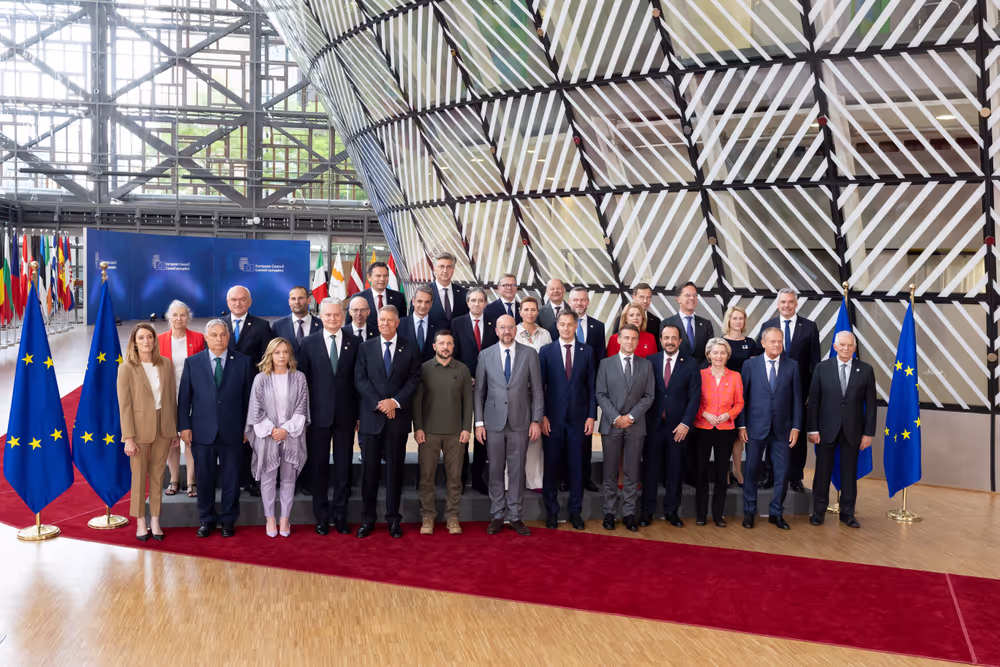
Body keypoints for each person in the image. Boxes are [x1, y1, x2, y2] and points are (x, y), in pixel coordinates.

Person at [178, 319, 252, 538]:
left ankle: (228, 520)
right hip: (202, 431)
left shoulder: (244, 362)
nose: (219, 339)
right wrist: (184, 426)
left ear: (228, 337)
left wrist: (248, 428)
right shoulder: (192, 362)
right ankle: (206, 519)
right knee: (205, 478)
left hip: (234, 432)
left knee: (231, 479)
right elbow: (184, 398)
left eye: (223, 334)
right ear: (206, 338)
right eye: (214, 335)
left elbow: (249, 399)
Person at [355, 305, 422, 538]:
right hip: (372, 419)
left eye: (389, 320)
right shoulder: (365, 347)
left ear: (397, 323)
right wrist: (381, 403)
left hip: (397, 419)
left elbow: (415, 379)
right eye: (381, 319)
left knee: (395, 471)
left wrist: (395, 401)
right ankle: (368, 520)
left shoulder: (410, 348)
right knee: (369, 472)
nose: (385, 323)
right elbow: (360, 379)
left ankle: (394, 519)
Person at [474, 314, 544, 536]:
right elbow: (480, 391)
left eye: (510, 327)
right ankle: (497, 514)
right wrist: (479, 423)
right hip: (493, 423)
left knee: (516, 471)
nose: (506, 331)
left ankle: (515, 515)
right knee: (495, 470)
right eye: (502, 327)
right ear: (496, 330)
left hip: (520, 422)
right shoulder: (485, 355)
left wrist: (536, 420)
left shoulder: (530, 354)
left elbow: (538, 390)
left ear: (516, 330)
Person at [296, 297, 361, 536]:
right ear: (320, 316)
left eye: (336, 315)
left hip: (346, 416)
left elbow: (358, 382)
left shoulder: (355, 342)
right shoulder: (308, 343)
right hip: (317, 417)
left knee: (344, 467)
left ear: (343, 316)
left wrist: (359, 415)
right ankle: (322, 517)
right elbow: (302, 383)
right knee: (319, 467)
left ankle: (340, 515)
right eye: (328, 315)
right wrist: (303, 416)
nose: (333, 319)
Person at [806, 331, 877, 529]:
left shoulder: (866, 370)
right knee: (822, 473)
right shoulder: (822, 368)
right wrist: (812, 429)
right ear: (835, 346)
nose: (846, 348)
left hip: (853, 431)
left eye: (850, 345)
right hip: (825, 430)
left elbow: (871, 405)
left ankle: (848, 514)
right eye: (842, 345)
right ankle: (818, 512)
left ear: (854, 348)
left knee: (849, 473)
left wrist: (868, 433)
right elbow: (814, 403)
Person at [118, 323, 179, 541]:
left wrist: (174, 431)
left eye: (150, 337)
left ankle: (155, 519)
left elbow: (171, 399)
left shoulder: (165, 364)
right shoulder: (126, 368)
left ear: (155, 340)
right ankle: (140, 521)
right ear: (134, 342)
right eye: (141, 338)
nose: (146, 342)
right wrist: (129, 438)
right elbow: (124, 406)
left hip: (163, 428)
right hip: (139, 431)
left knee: (157, 476)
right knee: (138, 478)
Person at [757, 289, 821, 494]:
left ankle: (795, 477)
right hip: (773, 389)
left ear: (796, 304)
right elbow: (761, 360)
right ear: (778, 304)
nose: (786, 305)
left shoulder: (809, 327)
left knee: (797, 435)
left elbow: (815, 362)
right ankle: (770, 475)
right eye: (783, 302)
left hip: (800, 391)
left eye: (790, 302)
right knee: (772, 430)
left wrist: (813, 391)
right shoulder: (768, 326)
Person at [737, 327, 802, 530]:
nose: (776, 345)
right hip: (755, 428)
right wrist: (742, 425)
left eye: (779, 341)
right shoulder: (749, 365)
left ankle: (776, 513)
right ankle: (749, 512)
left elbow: (797, 400)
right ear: (763, 343)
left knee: (782, 473)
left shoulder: (793, 366)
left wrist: (796, 427)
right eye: (772, 341)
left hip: (783, 430)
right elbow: (742, 398)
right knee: (751, 471)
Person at [245, 338, 309, 538]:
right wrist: (273, 430)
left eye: (285, 352)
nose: (282, 356)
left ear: (290, 355)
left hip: (291, 435)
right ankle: (270, 518)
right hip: (267, 436)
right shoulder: (260, 379)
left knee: (289, 480)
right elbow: (256, 410)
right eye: (277, 352)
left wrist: (286, 429)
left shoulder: (299, 378)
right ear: (270, 355)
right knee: (268, 479)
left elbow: (302, 407)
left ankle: (285, 519)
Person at [538, 310, 596, 529]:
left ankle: (575, 512)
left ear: (576, 326)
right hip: (551, 420)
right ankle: (552, 512)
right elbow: (539, 388)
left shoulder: (587, 352)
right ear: (557, 325)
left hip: (579, 421)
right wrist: (541, 415)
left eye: (570, 324)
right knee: (551, 467)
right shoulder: (546, 351)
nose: (565, 328)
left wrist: (591, 415)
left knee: (576, 468)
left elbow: (591, 386)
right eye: (562, 324)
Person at [413, 329, 473, 535]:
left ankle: (453, 517)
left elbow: (468, 403)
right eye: (441, 343)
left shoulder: (463, 370)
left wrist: (466, 429)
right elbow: (417, 401)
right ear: (434, 346)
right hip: (428, 433)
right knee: (426, 476)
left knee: (455, 477)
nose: (445, 347)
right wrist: (418, 427)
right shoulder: (424, 369)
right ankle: (428, 516)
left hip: (456, 434)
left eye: (449, 344)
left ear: (453, 347)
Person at [640, 325, 701, 527]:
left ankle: (672, 511)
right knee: (650, 470)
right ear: (660, 339)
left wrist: (686, 423)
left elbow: (695, 397)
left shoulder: (691, 364)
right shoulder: (651, 361)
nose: (670, 341)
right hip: (653, 425)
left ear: (680, 341)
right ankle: (647, 511)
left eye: (674, 338)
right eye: (666, 337)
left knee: (675, 470)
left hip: (678, 428)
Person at [596, 324, 654, 532]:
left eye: (634, 338)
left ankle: (629, 513)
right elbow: (600, 394)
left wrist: (630, 417)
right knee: (610, 472)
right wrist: (615, 417)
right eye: (626, 338)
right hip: (611, 426)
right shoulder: (605, 364)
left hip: (635, 426)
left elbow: (649, 396)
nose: (630, 342)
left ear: (638, 342)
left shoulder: (646, 365)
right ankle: (609, 513)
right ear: (618, 340)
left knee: (632, 472)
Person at [224, 285, 274, 498]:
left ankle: (252, 479)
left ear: (250, 302)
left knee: (253, 436)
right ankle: (231, 478)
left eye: (242, 299)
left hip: (253, 392)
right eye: (234, 300)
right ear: (228, 302)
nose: (238, 303)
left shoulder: (263, 327)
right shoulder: (219, 325)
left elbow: (267, 360)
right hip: (224, 393)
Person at [693, 339, 744, 527]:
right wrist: (704, 413)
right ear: (708, 355)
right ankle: (701, 514)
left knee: (722, 474)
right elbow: (693, 400)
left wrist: (728, 415)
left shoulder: (735, 376)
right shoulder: (699, 375)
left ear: (727, 355)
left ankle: (717, 515)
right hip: (702, 427)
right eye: (715, 353)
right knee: (701, 472)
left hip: (725, 429)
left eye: (723, 353)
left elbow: (739, 402)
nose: (719, 356)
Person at [452, 286, 498, 495]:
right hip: (463, 385)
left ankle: (479, 478)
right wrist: (465, 375)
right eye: (473, 300)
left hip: (488, 387)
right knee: (462, 432)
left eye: (481, 301)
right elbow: (452, 353)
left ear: (485, 303)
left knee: (483, 433)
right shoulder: (457, 323)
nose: (477, 304)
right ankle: (460, 477)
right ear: (467, 303)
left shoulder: (493, 324)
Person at [158, 300, 204, 499]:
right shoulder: (159, 340)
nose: (179, 319)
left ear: (188, 317)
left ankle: (192, 480)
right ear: (169, 317)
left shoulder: (199, 338)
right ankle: (174, 479)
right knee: (170, 439)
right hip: (166, 395)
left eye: (183, 315)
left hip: (193, 395)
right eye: (175, 315)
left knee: (190, 438)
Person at [567, 286, 605, 493]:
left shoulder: (598, 327)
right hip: (564, 390)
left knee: (585, 438)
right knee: (565, 438)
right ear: (569, 301)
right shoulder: (561, 324)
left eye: (582, 300)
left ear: (588, 302)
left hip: (586, 390)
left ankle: (585, 477)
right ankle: (566, 478)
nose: (579, 303)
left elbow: (601, 359)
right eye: (575, 300)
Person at [515, 296, 551, 490]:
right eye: (526, 309)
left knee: (535, 437)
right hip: (517, 391)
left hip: (539, 389)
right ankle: (513, 481)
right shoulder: (514, 332)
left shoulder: (545, 335)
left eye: (533, 309)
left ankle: (535, 481)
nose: (529, 313)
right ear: (520, 312)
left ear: (538, 312)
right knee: (516, 436)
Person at [662, 282, 713, 363]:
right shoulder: (667, 323)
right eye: (687, 295)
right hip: (677, 372)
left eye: (694, 295)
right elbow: (664, 353)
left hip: (701, 373)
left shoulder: (706, 324)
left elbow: (710, 351)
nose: (692, 298)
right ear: (678, 299)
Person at [611, 283, 662, 353]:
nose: (645, 301)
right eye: (642, 297)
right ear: (634, 297)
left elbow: (657, 350)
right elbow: (614, 346)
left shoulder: (656, 321)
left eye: (648, 297)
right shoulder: (620, 319)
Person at [272, 285, 321, 354]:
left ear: (309, 300)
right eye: (293, 299)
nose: (297, 302)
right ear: (289, 301)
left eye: (301, 298)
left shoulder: (322, 325)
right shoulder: (277, 326)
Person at [358, 261, 406, 331]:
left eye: (385, 276)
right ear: (369, 277)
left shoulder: (399, 297)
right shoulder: (359, 298)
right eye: (378, 276)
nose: (382, 279)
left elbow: (402, 323)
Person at [399, 285, 439, 362]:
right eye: (419, 301)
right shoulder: (400, 324)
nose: (423, 306)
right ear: (413, 301)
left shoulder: (439, 325)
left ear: (431, 303)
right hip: (407, 371)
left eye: (427, 302)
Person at [427, 252, 468, 327]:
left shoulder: (464, 293)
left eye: (449, 267)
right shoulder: (424, 292)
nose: (445, 270)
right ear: (434, 269)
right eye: (441, 267)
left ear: (453, 269)